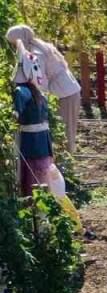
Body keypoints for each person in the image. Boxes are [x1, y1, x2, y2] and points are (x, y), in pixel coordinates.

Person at [6, 25, 81, 153]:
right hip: (67, 91)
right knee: (63, 133)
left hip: (65, 94)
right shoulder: (37, 45)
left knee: (65, 134)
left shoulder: (36, 53)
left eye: (14, 44)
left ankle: (66, 167)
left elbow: (40, 81)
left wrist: (38, 102)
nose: (14, 47)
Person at [12, 52, 53, 197]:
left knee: (37, 173)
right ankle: (35, 206)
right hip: (33, 141)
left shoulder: (35, 90)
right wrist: (16, 112)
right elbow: (21, 97)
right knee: (34, 174)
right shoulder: (24, 90)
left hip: (39, 140)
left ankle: (38, 205)